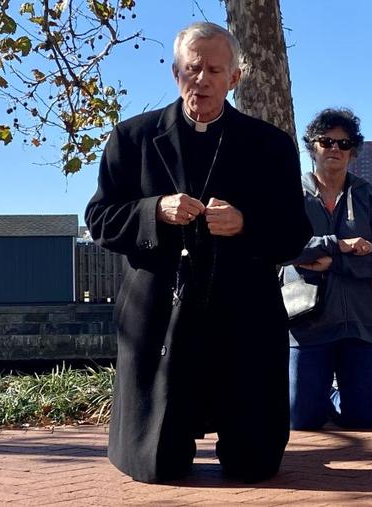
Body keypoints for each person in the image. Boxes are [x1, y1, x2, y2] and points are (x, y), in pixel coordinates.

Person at [85, 22, 312, 483]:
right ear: (175, 73)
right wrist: (154, 211)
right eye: (192, 69)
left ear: (235, 77)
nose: (201, 80)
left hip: (242, 315)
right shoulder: (132, 139)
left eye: (213, 70)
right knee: (158, 469)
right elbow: (100, 220)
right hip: (160, 317)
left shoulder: (270, 146)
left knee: (253, 468)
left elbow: (294, 234)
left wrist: (245, 224)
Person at [287, 108, 372, 430]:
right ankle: (319, 396)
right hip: (307, 323)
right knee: (302, 421)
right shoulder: (292, 194)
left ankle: (338, 397)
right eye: (326, 141)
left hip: (362, 323)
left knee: (365, 420)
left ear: (353, 150)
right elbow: (283, 248)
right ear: (312, 147)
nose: (335, 149)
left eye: (344, 143)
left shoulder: (370, 197)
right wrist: (338, 243)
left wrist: (334, 262)